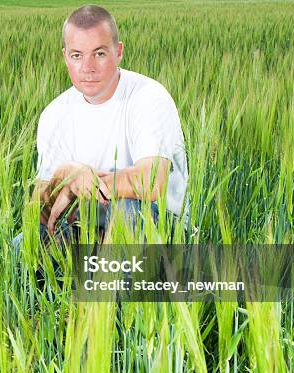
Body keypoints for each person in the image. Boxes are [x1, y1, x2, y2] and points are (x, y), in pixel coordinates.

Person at [13, 5, 189, 260]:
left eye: (99, 53)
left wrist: (79, 184)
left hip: (160, 228)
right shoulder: (54, 114)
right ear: (65, 57)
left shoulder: (149, 97)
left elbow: (152, 182)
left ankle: (116, 298)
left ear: (118, 52)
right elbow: (41, 209)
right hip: (86, 226)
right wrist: (64, 175)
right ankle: (59, 298)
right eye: (77, 55)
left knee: (126, 210)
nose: (87, 67)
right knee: (23, 243)